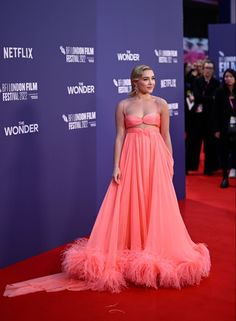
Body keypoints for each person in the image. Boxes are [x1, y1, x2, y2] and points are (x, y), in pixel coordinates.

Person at [4, 65, 210, 297]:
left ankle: (153, 250)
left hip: (155, 158)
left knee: (155, 202)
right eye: (146, 79)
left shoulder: (160, 104)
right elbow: (120, 135)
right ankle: (132, 248)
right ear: (135, 81)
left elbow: (166, 135)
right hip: (131, 159)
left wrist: (170, 160)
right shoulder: (123, 105)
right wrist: (116, 164)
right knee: (130, 201)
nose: (151, 82)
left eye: (153, 78)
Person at [187, 60, 220, 174]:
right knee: (194, 141)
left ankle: (210, 168)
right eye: (206, 68)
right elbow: (197, 96)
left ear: (213, 70)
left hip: (211, 116)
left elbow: (215, 98)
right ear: (203, 69)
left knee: (210, 143)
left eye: (210, 68)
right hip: (197, 116)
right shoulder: (197, 81)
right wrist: (209, 98)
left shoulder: (216, 83)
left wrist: (204, 98)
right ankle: (191, 166)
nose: (208, 70)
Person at [214, 69, 236, 188]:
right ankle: (224, 177)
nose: (228, 78)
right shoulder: (219, 91)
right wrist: (216, 129)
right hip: (224, 127)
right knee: (224, 152)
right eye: (226, 76)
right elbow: (215, 112)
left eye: (231, 76)